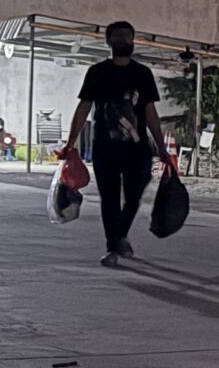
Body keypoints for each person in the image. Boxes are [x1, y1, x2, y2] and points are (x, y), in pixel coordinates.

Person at [67, 21, 170, 268]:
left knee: (134, 196)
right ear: (109, 42)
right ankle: (112, 247)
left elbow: (150, 112)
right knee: (110, 198)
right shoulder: (97, 72)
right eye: (118, 36)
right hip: (105, 148)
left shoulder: (142, 74)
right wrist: (70, 143)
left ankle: (119, 236)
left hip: (137, 148)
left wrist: (161, 146)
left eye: (127, 36)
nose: (123, 40)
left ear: (133, 41)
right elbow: (84, 107)